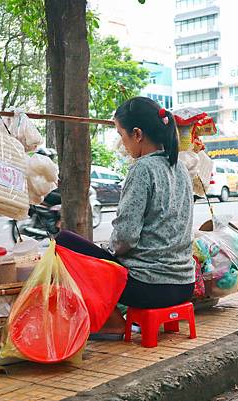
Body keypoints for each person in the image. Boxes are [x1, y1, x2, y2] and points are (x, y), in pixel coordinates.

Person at [56, 96, 194, 338]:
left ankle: (112, 322)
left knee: (64, 242)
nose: (123, 143)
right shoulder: (179, 167)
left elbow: (126, 238)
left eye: (122, 135)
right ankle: (116, 319)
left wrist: (109, 253)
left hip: (149, 287)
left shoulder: (142, 169)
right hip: (184, 284)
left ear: (137, 134)